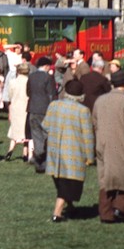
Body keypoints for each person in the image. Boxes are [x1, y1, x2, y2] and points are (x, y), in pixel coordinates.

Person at [42, 78, 95, 222]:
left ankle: (70, 207)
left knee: (61, 182)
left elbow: (45, 125)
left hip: (55, 151)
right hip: (74, 152)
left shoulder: (54, 105)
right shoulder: (83, 111)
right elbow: (88, 136)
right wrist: (90, 157)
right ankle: (57, 214)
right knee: (69, 184)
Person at [93, 70, 124, 223]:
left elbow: (94, 122)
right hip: (121, 144)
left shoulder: (99, 100)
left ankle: (106, 214)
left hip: (101, 144)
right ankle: (120, 208)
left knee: (106, 180)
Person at [27, 56, 57, 173]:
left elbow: (28, 92)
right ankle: (44, 159)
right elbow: (51, 94)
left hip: (33, 108)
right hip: (45, 109)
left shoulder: (31, 76)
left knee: (36, 135)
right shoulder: (48, 77)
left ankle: (39, 159)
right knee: (46, 135)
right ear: (46, 66)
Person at [4, 61, 31, 161]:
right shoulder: (29, 81)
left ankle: (10, 150)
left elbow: (10, 96)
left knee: (15, 130)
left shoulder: (12, 82)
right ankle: (25, 152)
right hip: (26, 107)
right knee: (26, 131)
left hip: (15, 107)